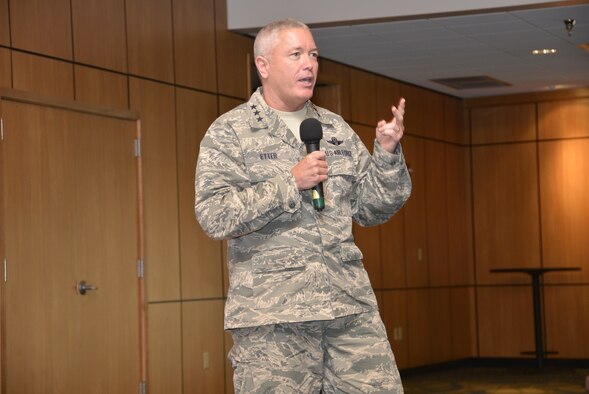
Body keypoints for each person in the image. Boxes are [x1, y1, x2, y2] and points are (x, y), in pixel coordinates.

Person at [195, 18, 411, 393]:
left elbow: (372, 208)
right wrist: (288, 184)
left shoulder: (335, 129)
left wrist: (388, 156)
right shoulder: (230, 132)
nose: (309, 64)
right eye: (295, 54)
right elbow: (214, 216)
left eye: (313, 55)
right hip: (274, 320)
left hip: (347, 308)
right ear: (263, 66)